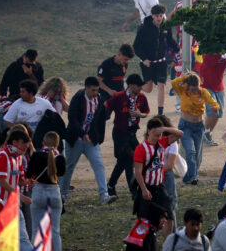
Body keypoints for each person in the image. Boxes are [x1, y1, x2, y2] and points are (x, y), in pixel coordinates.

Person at [62, 76, 114, 205]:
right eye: (93, 90)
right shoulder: (78, 98)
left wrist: (98, 137)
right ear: (86, 88)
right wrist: (82, 133)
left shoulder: (99, 99)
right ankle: (62, 195)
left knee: (98, 165)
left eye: (97, 90)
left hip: (91, 140)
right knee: (69, 166)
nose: (95, 93)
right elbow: (72, 118)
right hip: (75, 139)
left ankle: (104, 195)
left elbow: (101, 118)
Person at [134, 117, 183, 237]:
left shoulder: (162, 143)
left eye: (160, 134)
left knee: (169, 216)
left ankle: (168, 245)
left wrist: (165, 128)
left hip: (160, 187)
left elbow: (180, 134)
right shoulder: (141, 149)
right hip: (147, 187)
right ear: (149, 131)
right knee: (145, 221)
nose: (158, 137)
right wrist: (144, 189)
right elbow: (138, 172)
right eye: (156, 134)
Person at [170, 71, 220, 185]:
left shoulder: (203, 92)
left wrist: (215, 108)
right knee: (190, 151)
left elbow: (214, 103)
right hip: (185, 126)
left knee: (197, 154)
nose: (195, 90)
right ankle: (192, 177)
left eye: (196, 88)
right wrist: (187, 77)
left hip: (198, 126)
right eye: (192, 88)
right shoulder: (182, 90)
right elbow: (173, 82)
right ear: (188, 86)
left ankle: (191, 176)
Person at [106, 73, 149, 197]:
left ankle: (111, 185)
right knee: (130, 159)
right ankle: (133, 190)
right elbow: (106, 107)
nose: (141, 88)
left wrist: (140, 115)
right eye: (138, 85)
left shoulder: (142, 98)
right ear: (131, 85)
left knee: (124, 161)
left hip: (132, 134)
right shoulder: (119, 97)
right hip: (120, 133)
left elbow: (146, 112)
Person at [28, 130, 65, 251]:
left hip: (39, 191)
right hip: (54, 192)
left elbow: (29, 174)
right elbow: (62, 173)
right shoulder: (59, 157)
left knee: (36, 230)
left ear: (44, 142)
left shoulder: (37, 156)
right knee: (55, 231)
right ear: (57, 143)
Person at [134, 4, 174, 115]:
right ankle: (135, 87)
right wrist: (144, 58)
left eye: (161, 15)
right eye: (157, 16)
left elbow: (170, 41)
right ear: (152, 16)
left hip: (161, 62)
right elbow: (136, 46)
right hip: (147, 63)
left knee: (162, 85)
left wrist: (178, 50)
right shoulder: (143, 28)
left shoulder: (166, 26)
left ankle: (160, 112)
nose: (159, 18)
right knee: (149, 88)